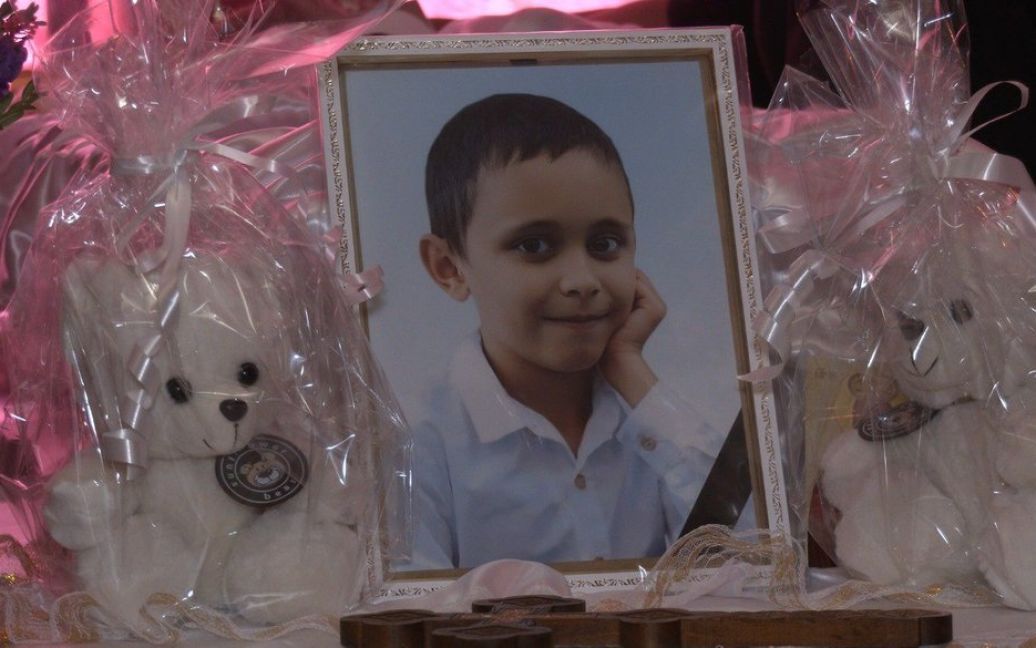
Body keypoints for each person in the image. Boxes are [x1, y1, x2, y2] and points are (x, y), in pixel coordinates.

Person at [405, 93, 723, 570]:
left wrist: (631, 372)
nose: (582, 281)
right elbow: (412, 604)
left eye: (605, 244)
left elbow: (751, 560)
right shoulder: (417, 441)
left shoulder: (656, 419)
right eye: (535, 246)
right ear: (449, 267)